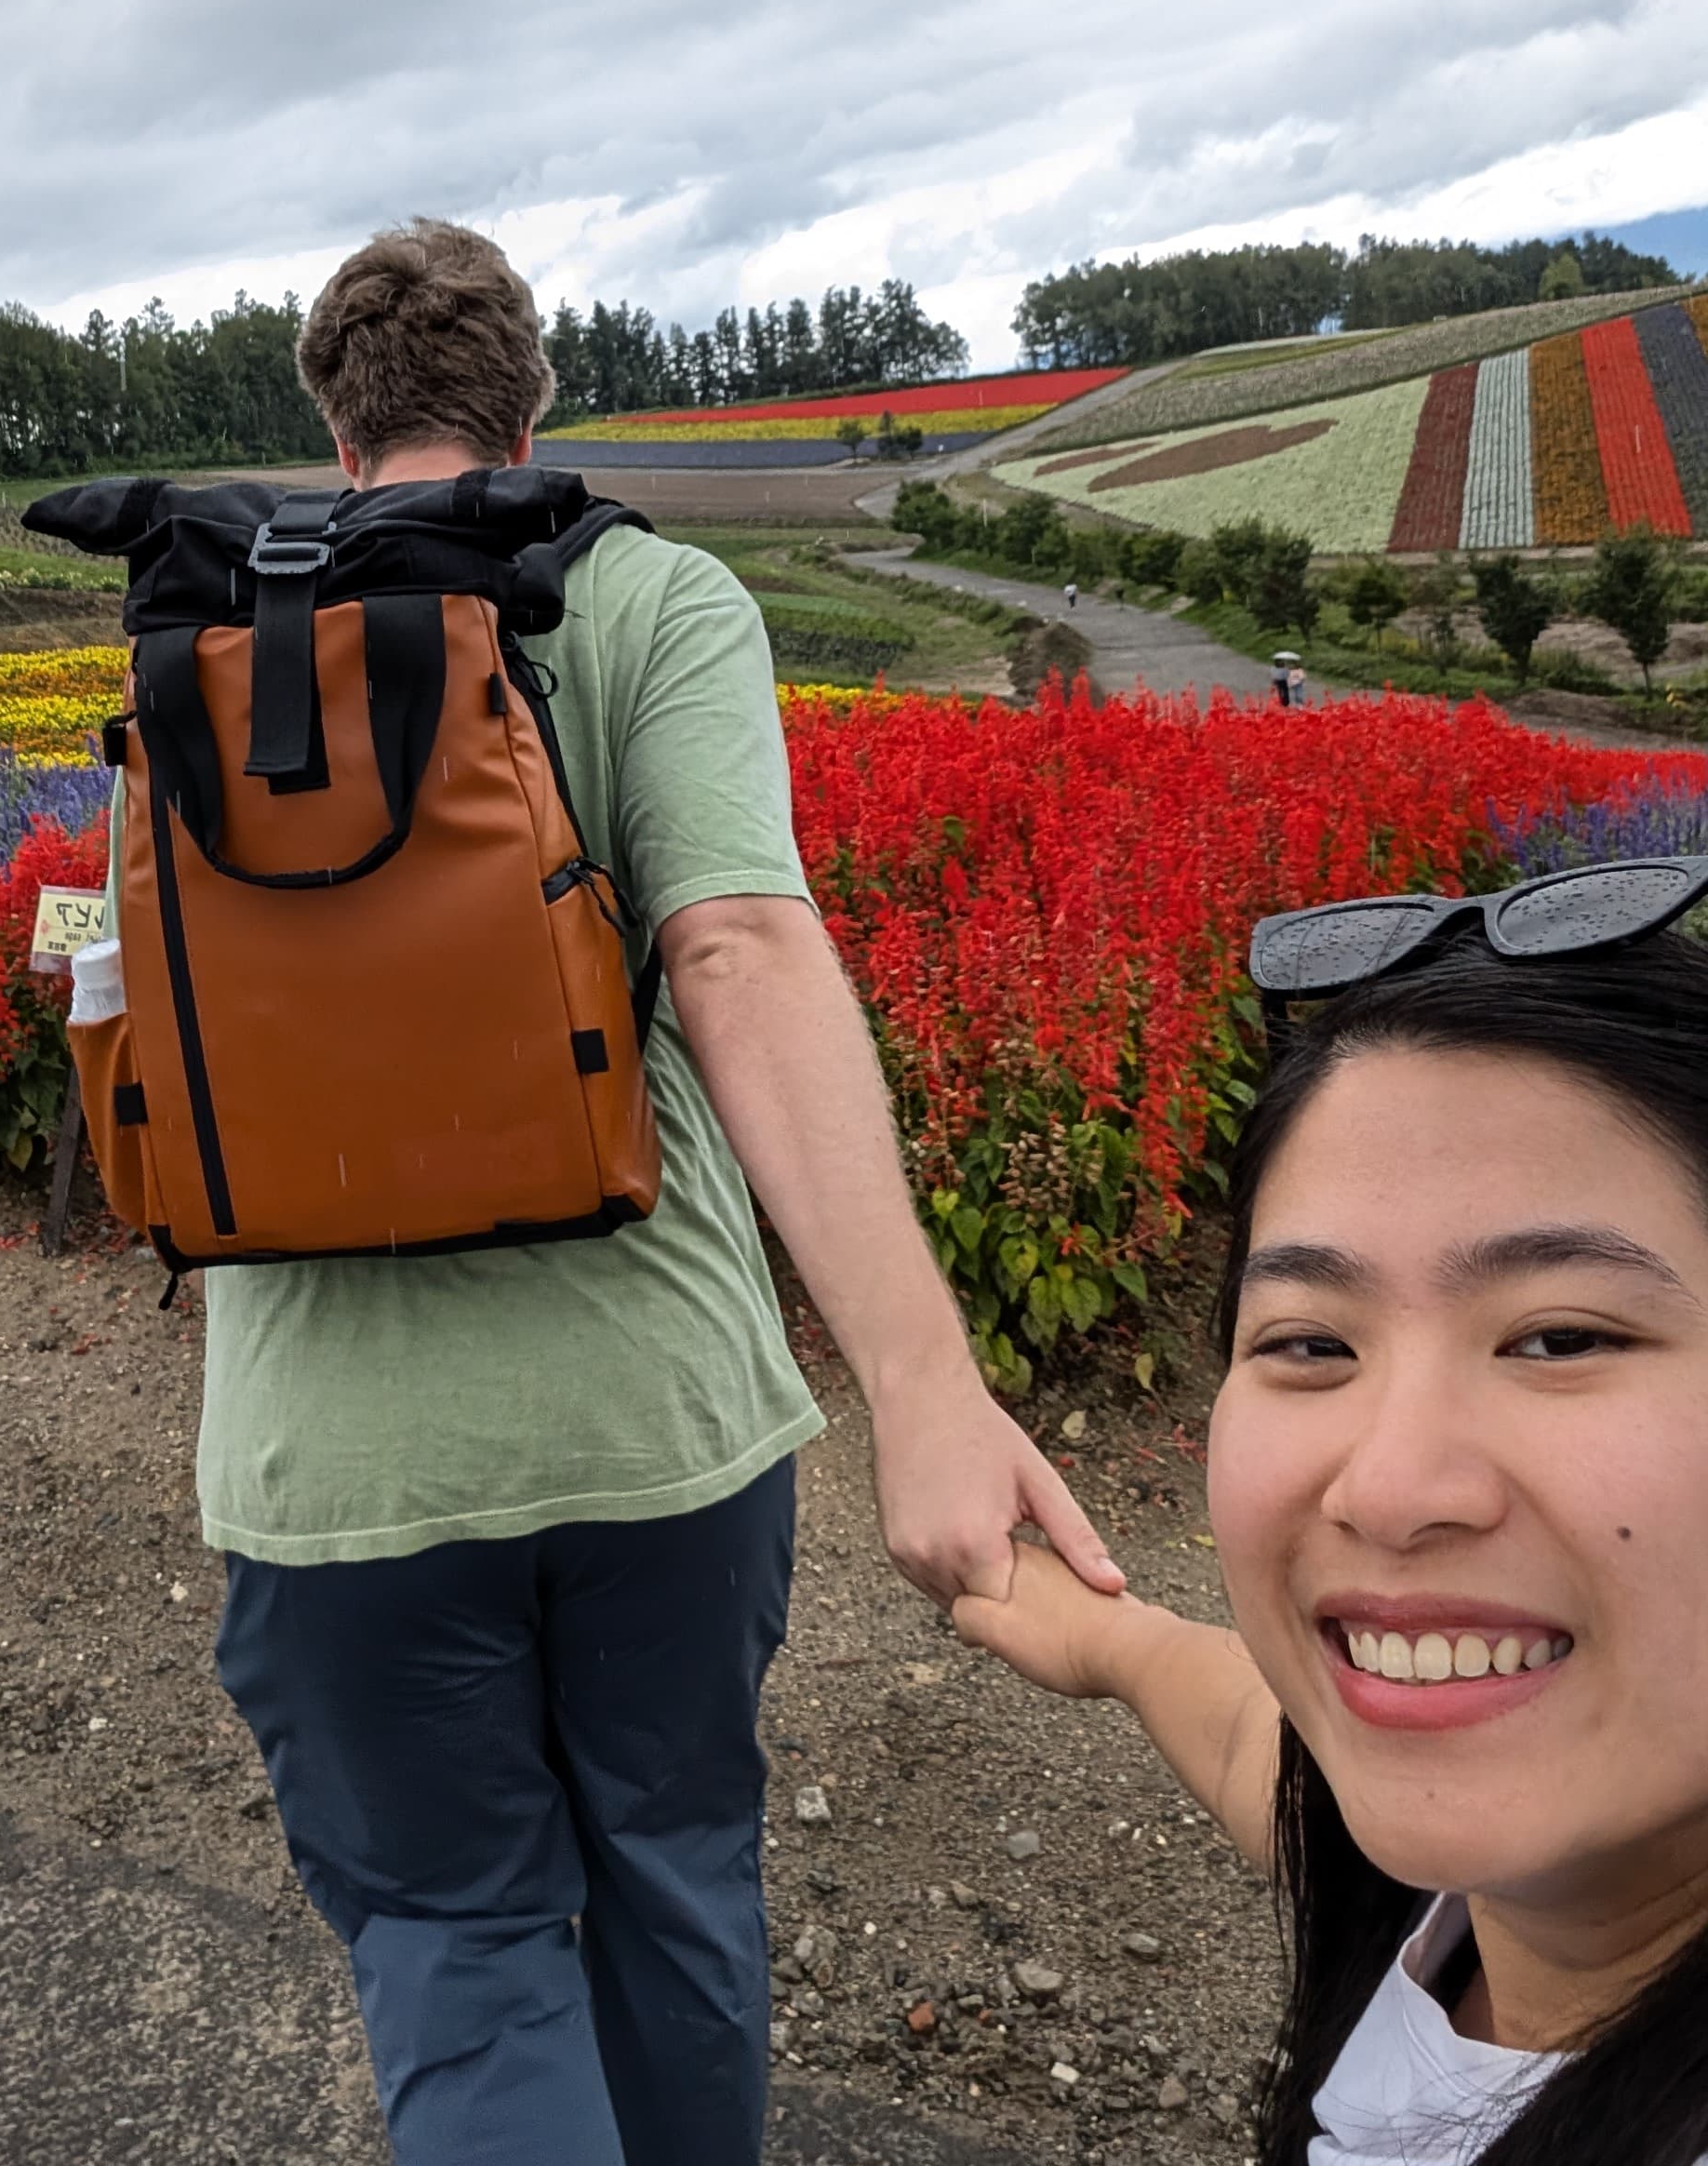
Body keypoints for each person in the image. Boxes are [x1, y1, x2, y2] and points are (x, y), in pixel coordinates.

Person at [204, 220, 1118, 2166]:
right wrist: (925, 1388)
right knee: (678, 1890)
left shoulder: (212, 623)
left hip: (335, 1471)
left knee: (459, 1948)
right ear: (532, 396)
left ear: (338, 413)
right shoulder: (646, 600)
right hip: (666, 1437)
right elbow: (739, 956)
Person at [952, 872, 1708, 2165]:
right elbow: (1267, 1744)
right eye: (1309, 1343)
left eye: (1560, 1336)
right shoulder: (1467, 1899)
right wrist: (1110, 1643)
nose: (1388, 1488)